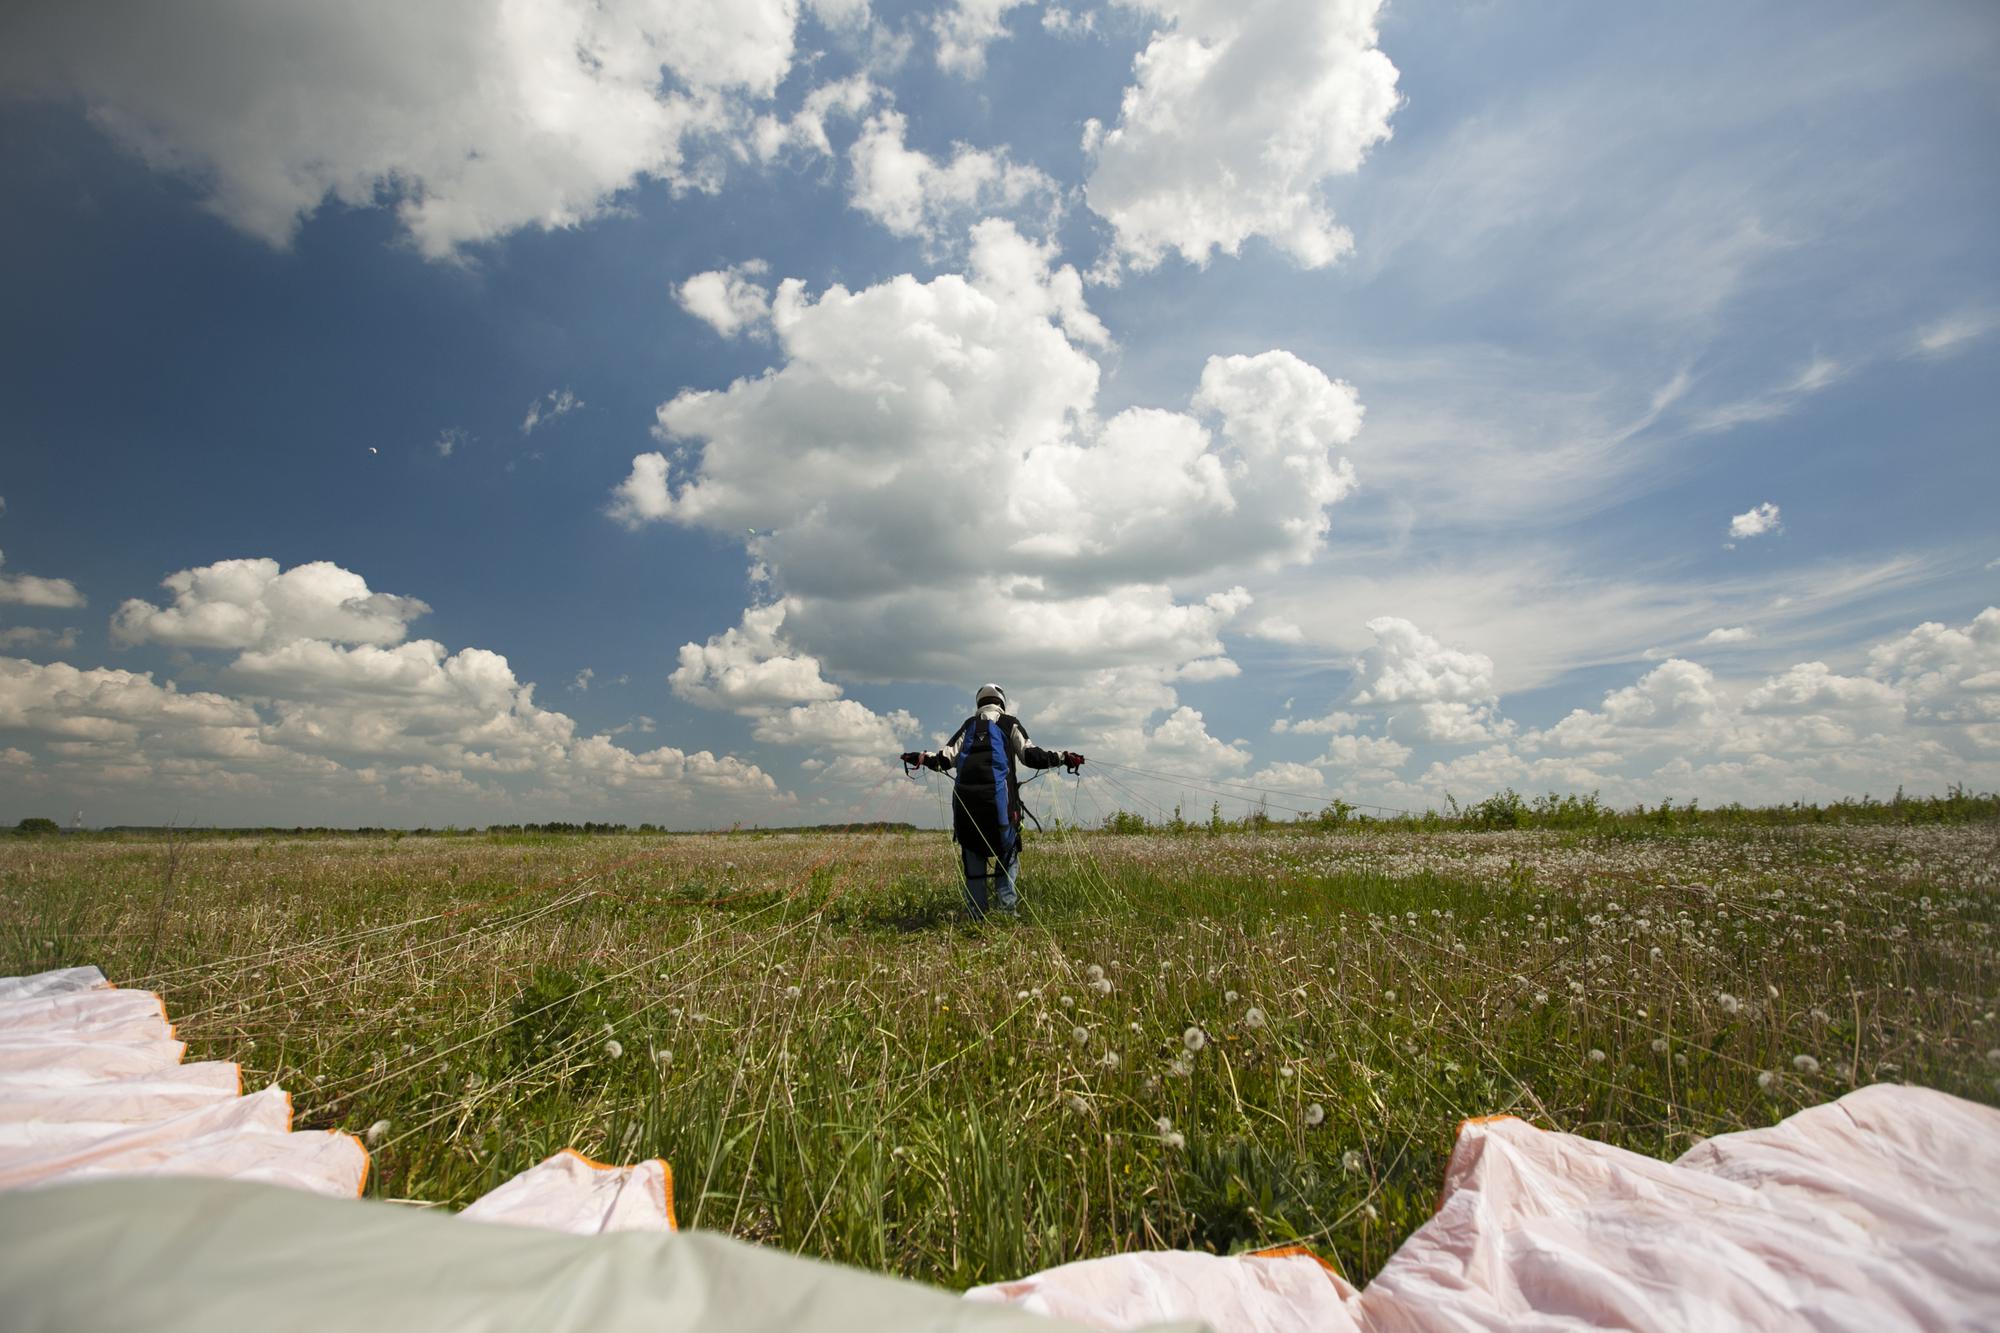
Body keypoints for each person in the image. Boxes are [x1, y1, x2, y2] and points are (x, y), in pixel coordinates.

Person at [901, 683, 1083, 919]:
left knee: (973, 849)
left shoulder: (969, 725)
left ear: (979, 703)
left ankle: (976, 914)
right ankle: (1007, 913)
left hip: (967, 810)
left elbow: (944, 760)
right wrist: (1064, 758)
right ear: (1002, 703)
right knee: (1007, 853)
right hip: (1002, 809)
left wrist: (919, 758)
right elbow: (1031, 755)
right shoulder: (1009, 723)